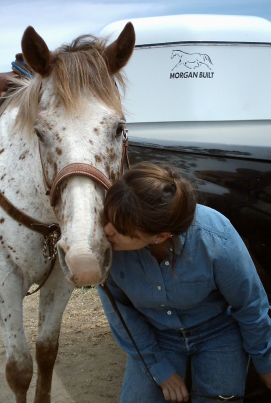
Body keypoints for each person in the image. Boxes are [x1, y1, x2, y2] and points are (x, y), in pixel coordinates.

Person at [97, 162, 271, 403]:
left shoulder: (215, 237)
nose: (105, 231)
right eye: (108, 217)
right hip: (156, 333)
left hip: (217, 330)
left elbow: (251, 305)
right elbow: (122, 316)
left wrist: (266, 364)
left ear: (160, 237)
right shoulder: (105, 249)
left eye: (120, 229)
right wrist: (160, 370)